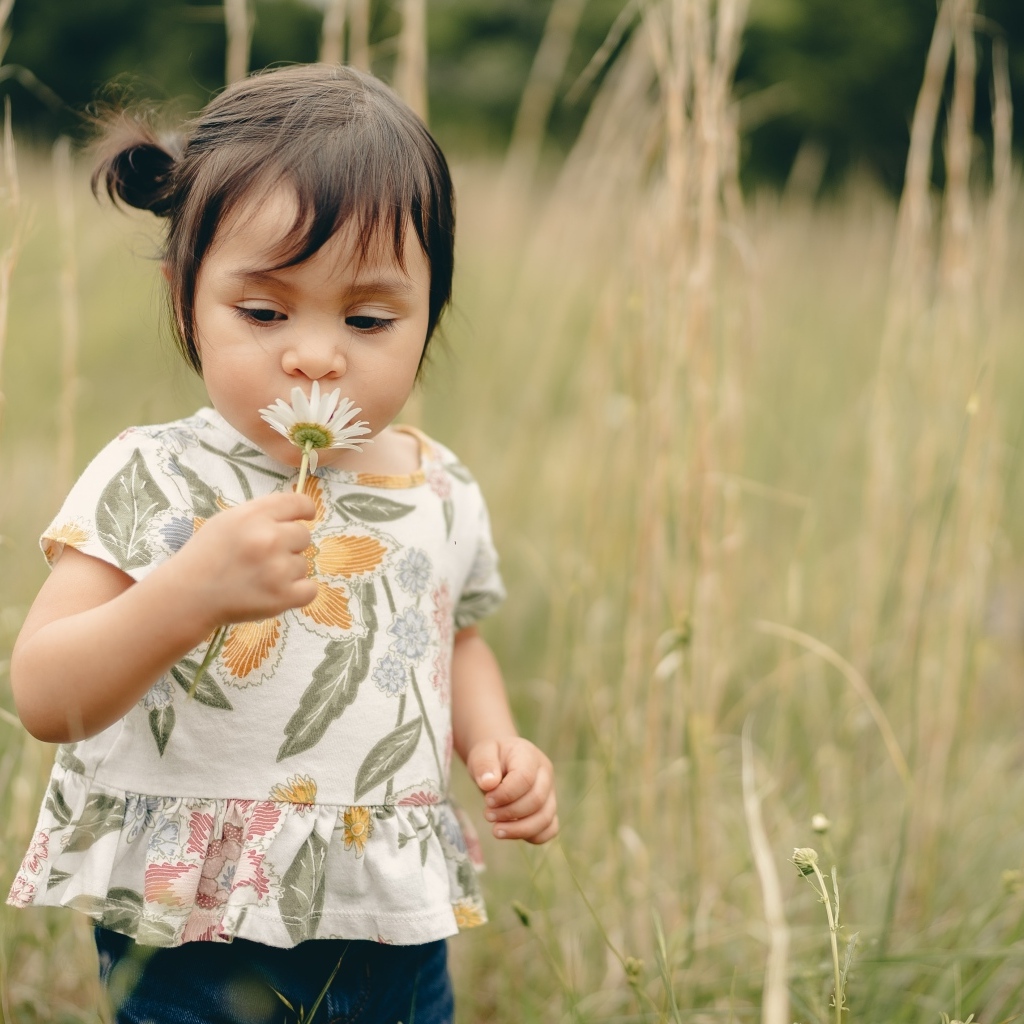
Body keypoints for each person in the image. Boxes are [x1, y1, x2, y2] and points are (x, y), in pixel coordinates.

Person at [6, 64, 558, 1024]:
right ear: (188, 295)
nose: (314, 353)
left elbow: (455, 634)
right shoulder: (156, 475)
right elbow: (47, 697)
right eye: (263, 312)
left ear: (429, 313)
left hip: (390, 907)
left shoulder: (435, 485)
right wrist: (191, 591)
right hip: (197, 924)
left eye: (370, 318)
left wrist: (496, 741)